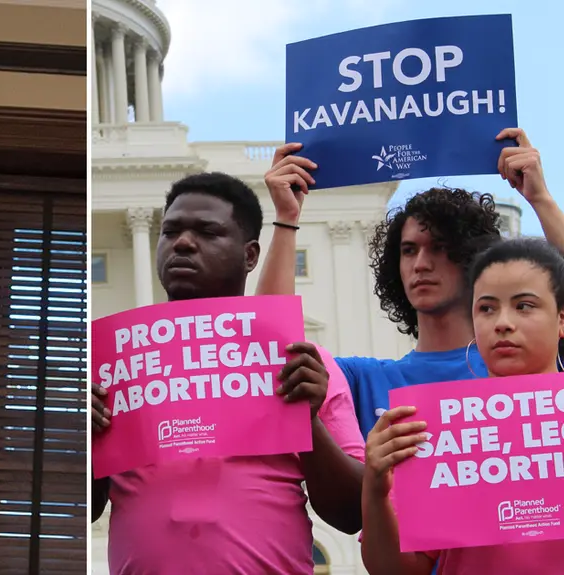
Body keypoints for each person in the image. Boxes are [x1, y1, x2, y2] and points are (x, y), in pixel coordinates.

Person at [90, 172, 366, 574]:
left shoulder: (299, 365)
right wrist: (88, 437)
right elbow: (88, 507)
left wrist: (309, 424)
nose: (182, 243)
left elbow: (352, 512)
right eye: (170, 231)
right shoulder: (119, 368)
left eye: (207, 232)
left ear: (250, 255)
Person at [258, 128, 564, 439]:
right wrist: (286, 218)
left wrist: (540, 198)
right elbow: (268, 355)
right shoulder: (362, 379)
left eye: (439, 247)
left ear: (473, 260)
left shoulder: (524, 363)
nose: (420, 264)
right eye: (408, 250)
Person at [362, 237, 564, 574]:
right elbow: (396, 570)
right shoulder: (437, 429)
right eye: (486, 308)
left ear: (560, 320)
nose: (502, 322)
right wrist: (375, 490)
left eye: (524, 305)